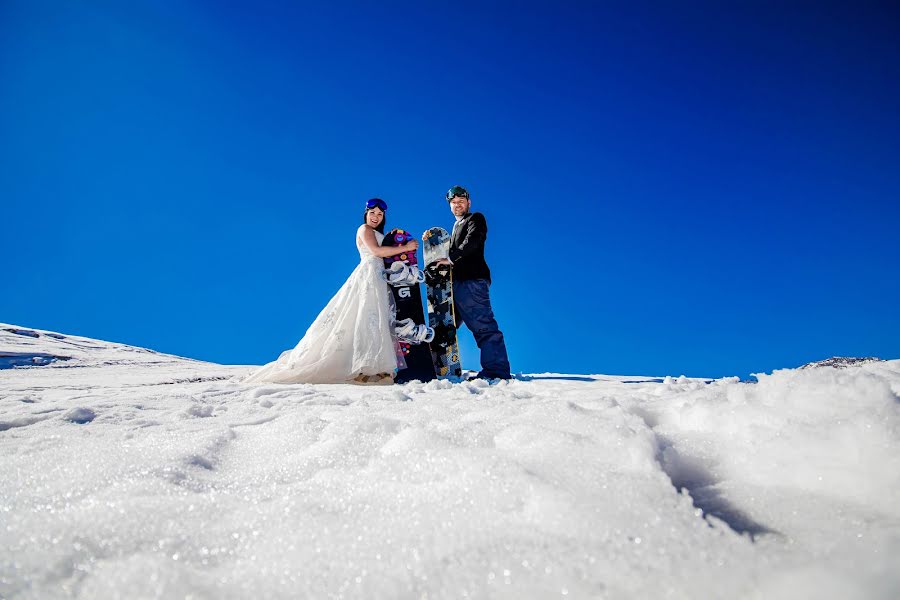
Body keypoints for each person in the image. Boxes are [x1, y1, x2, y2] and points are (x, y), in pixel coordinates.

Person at [245, 198, 417, 385]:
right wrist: (406, 247)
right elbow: (375, 251)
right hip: (368, 275)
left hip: (379, 277)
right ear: (366, 214)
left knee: (375, 318)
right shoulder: (364, 229)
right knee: (365, 317)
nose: (376, 217)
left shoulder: (377, 232)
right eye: (372, 213)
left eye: (380, 214)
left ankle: (376, 367)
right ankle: (363, 367)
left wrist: (406, 248)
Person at [435, 185, 511, 380]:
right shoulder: (455, 227)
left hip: (472, 282)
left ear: (468, 203)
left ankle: (496, 371)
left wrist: (451, 258)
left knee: (483, 325)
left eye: (461, 202)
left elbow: (473, 242)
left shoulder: (475, 219)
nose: (457, 205)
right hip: (457, 284)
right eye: (453, 203)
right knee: (446, 327)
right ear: (450, 206)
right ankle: (439, 367)